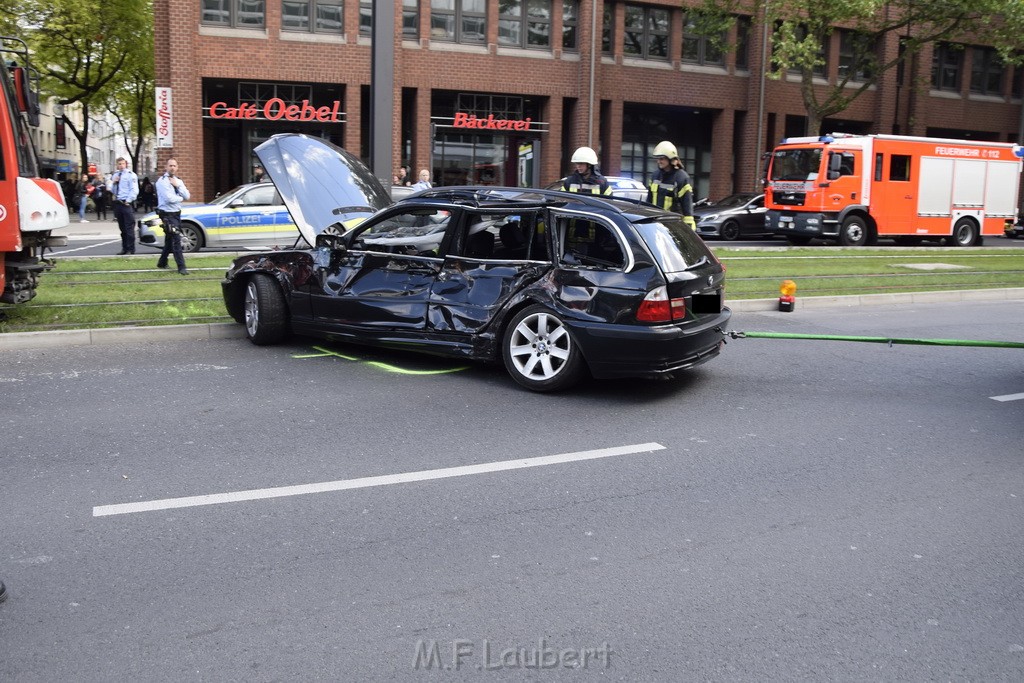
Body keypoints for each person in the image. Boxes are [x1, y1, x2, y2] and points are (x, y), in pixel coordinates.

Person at [647, 141, 696, 230]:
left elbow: (687, 207)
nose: (658, 161)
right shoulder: (655, 176)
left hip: (673, 227)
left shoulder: (681, 178)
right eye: (658, 159)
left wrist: (688, 231)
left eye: (662, 158)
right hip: (654, 226)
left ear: (670, 159)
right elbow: (648, 203)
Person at [155, 158, 192, 275]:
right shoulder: (162, 181)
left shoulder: (178, 181)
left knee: (170, 239)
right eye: (170, 165)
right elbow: (169, 199)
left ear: (177, 167)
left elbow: (188, 195)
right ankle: (182, 267)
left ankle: (162, 262)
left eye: (174, 166)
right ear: (166, 167)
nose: (172, 168)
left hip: (176, 213)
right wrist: (180, 198)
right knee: (176, 238)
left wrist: (178, 187)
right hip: (166, 213)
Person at [109, 157, 140, 254]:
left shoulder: (131, 175)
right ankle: (124, 248)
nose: (121, 166)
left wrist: (128, 200)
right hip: (118, 203)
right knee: (122, 228)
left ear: (126, 164)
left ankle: (131, 249)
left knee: (129, 228)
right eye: (119, 164)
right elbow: (112, 190)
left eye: (122, 163)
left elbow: (134, 190)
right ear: (117, 165)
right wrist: (114, 183)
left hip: (126, 204)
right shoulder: (115, 175)